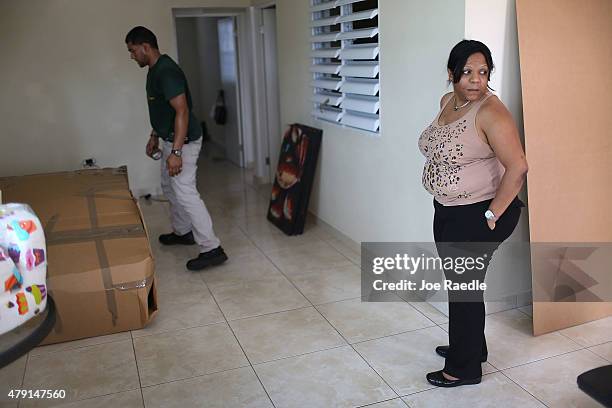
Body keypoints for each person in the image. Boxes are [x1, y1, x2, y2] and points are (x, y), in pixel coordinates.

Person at [418, 40, 528, 387]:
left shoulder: (492, 112)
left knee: (463, 288)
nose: (476, 80)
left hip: (480, 213)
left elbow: (518, 167)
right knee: (463, 286)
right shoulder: (447, 102)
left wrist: (492, 214)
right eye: (467, 72)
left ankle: (462, 368)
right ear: (452, 74)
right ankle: (470, 348)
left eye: (483, 72)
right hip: (450, 210)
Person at [125, 26, 228, 270]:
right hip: (170, 138)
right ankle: (183, 232)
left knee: (185, 192)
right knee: (169, 186)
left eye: (132, 50)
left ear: (145, 47)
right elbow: (164, 110)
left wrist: (177, 152)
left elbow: (182, 111)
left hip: (185, 141)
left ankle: (212, 247)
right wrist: (154, 135)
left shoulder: (167, 72)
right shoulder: (153, 70)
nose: (131, 56)